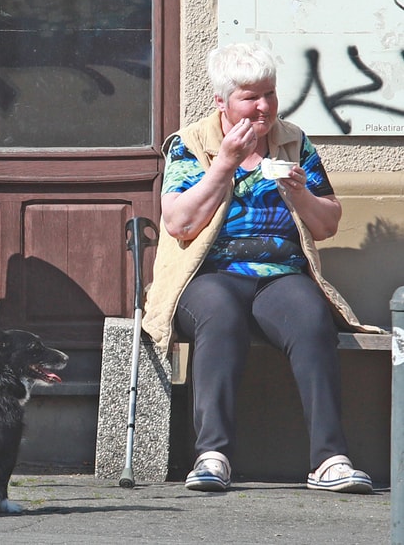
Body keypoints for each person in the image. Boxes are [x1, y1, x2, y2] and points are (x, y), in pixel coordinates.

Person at [142, 42, 382, 493]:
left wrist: (299, 193)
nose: (264, 107)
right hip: (208, 273)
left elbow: (328, 224)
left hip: (278, 273)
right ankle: (212, 456)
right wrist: (225, 164)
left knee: (311, 317)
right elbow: (179, 223)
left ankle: (330, 459)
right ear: (222, 101)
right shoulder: (191, 144)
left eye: (269, 94)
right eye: (250, 97)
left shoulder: (293, 141)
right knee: (219, 316)